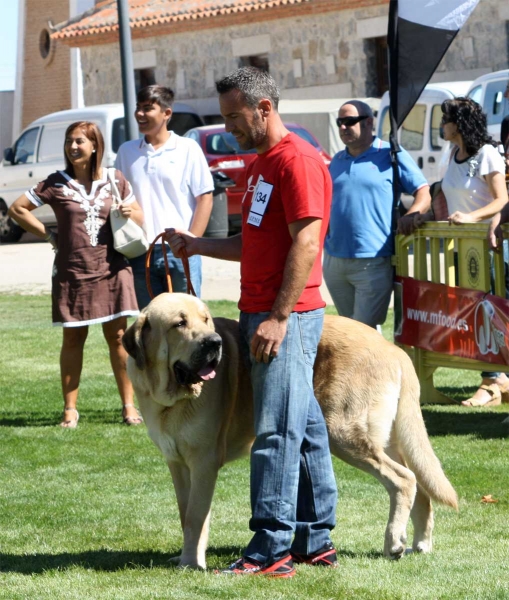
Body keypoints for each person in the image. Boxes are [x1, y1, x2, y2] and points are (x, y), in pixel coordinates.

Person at [166, 67, 338, 578]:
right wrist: (197, 245)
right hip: (259, 311)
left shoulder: (299, 162)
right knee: (304, 429)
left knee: (275, 432)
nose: (229, 127)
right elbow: (252, 245)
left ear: (263, 108)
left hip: (285, 315)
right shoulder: (260, 166)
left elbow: (308, 241)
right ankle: (314, 538)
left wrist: (280, 316)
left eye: (234, 117)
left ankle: (270, 548)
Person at [8, 121, 143, 427]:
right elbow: (17, 209)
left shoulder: (115, 179)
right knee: (73, 338)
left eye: (79, 141)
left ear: (95, 145)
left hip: (112, 269)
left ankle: (129, 406)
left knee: (119, 338)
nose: (72, 147)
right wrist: (49, 235)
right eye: (69, 141)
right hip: (73, 272)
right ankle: (70, 409)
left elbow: (140, 216)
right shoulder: (56, 183)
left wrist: (127, 212)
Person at [323, 100, 431, 330]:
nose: (343, 127)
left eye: (350, 121)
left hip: (373, 260)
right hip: (334, 260)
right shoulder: (336, 161)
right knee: (352, 331)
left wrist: (413, 214)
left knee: (361, 331)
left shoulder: (389, 153)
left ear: (369, 122)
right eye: (340, 122)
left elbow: (423, 191)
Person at [436, 97, 509, 407]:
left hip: (488, 249)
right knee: (475, 316)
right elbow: (443, 193)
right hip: (462, 251)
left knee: (492, 315)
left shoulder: (488, 154)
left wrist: (472, 217)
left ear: (461, 123)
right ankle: (494, 380)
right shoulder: (452, 155)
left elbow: (501, 199)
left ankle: (492, 382)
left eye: (446, 119)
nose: (442, 125)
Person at [115, 85, 214, 308]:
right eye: (138, 108)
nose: (140, 114)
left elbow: (205, 198)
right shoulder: (126, 152)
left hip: (179, 251)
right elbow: (119, 197)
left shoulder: (188, 148)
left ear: (166, 113)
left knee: (187, 320)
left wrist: (192, 243)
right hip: (140, 251)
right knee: (151, 322)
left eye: (148, 108)